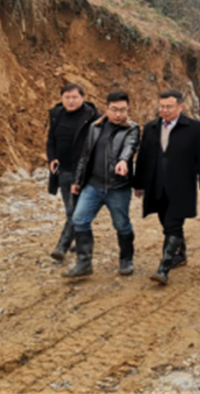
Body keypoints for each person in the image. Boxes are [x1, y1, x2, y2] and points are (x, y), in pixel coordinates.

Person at [133, 89, 200, 285]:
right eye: (162, 107)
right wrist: (139, 183)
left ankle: (164, 266)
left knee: (173, 224)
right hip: (157, 184)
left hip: (182, 185)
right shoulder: (151, 128)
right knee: (165, 221)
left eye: (169, 107)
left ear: (180, 107)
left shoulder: (194, 128)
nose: (165, 110)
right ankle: (181, 254)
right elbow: (143, 157)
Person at [62, 91, 140, 278]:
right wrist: (77, 181)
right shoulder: (95, 127)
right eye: (114, 109)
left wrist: (123, 161)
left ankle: (126, 260)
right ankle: (84, 262)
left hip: (117, 187)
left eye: (123, 110)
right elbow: (85, 156)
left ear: (128, 109)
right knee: (79, 219)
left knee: (121, 225)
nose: (119, 114)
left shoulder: (132, 128)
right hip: (92, 185)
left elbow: (130, 146)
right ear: (106, 109)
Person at [46, 83, 99, 261]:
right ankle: (84, 240)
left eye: (75, 97)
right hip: (64, 170)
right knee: (72, 210)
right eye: (67, 97)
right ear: (62, 98)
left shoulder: (92, 117)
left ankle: (62, 246)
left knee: (74, 210)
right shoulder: (56, 115)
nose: (71, 101)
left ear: (83, 98)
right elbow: (51, 140)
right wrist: (52, 158)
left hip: (83, 171)